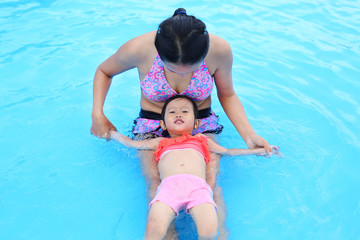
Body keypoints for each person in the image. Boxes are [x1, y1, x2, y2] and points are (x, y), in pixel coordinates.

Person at [91, 7, 271, 238]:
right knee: (155, 183)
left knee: (210, 181)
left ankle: (219, 234)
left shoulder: (219, 50)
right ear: (158, 52)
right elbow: (104, 71)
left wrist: (249, 135)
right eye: (172, 68)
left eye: (193, 70)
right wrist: (97, 113)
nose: (183, 75)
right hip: (152, 124)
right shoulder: (139, 48)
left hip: (200, 123)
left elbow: (227, 94)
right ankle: (168, 234)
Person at [110, 95, 279, 240]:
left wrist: (259, 151)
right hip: (168, 189)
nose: (178, 114)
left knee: (210, 230)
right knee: (154, 228)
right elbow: (132, 144)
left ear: (197, 123)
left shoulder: (202, 140)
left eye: (184, 111)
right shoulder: (160, 142)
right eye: (172, 112)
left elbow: (230, 152)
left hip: (198, 188)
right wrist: (111, 134)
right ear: (162, 125)